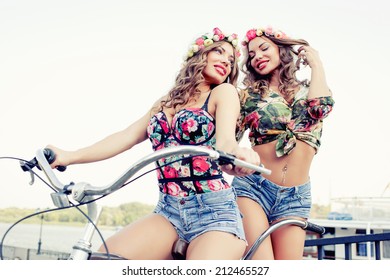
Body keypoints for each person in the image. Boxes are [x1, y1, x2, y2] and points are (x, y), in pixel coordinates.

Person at [46, 27, 261, 260]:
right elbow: (126, 137)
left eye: (231, 60)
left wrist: (238, 156)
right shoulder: (166, 101)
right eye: (219, 52)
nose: (226, 62)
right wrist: (69, 156)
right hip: (168, 211)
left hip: (214, 212)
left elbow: (226, 142)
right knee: (104, 260)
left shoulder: (223, 92)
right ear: (200, 53)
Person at [233, 26, 335, 259]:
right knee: (262, 266)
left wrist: (316, 62)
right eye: (252, 54)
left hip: (295, 196)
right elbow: (228, 140)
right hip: (254, 189)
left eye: (264, 48)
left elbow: (320, 107)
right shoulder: (248, 96)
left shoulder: (311, 90)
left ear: (281, 49)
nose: (257, 56)